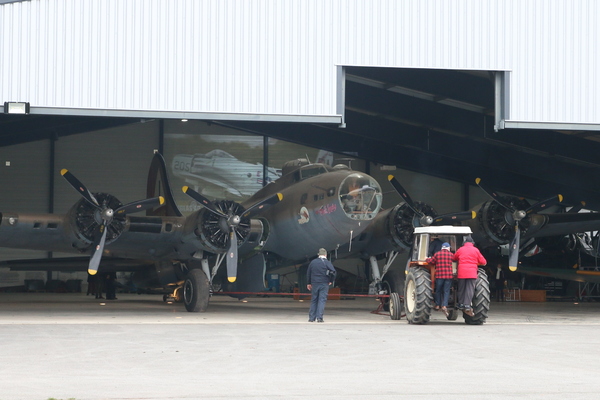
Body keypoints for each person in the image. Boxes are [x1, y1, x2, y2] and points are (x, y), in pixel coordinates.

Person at [453, 236, 486, 317]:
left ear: (464, 243)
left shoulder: (461, 249)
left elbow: (454, 258)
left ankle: (460, 303)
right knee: (469, 289)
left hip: (462, 272)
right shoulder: (476, 250)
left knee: (461, 288)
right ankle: (467, 304)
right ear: (473, 243)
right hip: (472, 273)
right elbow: (483, 262)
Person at [306, 248, 336, 323]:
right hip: (324, 283)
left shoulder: (313, 262)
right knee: (321, 300)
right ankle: (319, 318)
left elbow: (308, 273)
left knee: (314, 300)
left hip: (314, 283)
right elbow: (334, 272)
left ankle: (311, 318)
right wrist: (330, 281)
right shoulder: (327, 262)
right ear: (325, 255)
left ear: (318, 255)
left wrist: (309, 283)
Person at [426, 242, 454, 317]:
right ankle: (444, 305)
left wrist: (427, 259)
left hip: (439, 276)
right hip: (448, 276)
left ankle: (438, 305)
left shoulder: (437, 254)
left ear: (442, 247)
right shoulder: (451, 255)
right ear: (448, 248)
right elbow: (455, 260)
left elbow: (431, 261)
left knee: (438, 290)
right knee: (446, 291)